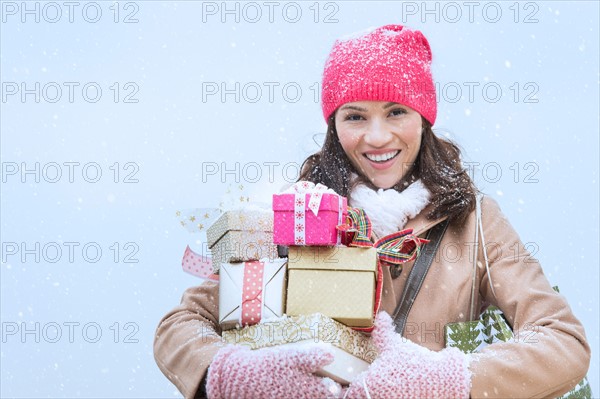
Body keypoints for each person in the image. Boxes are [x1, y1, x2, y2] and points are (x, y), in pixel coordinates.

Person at [154, 24, 590, 399]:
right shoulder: (296, 212)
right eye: (356, 117)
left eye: (396, 112)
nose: (377, 137)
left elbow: (563, 342)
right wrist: (230, 374)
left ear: (423, 119)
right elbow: (182, 325)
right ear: (334, 125)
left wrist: (446, 379)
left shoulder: (474, 222)